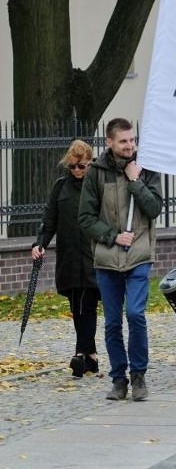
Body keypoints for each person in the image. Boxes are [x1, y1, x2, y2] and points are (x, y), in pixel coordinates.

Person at [78, 118, 163, 401]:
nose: (130, 146)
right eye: (124, 141)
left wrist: (135, 180)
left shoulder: (146, 168)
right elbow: (85, 219)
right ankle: (119, 379)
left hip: (139, 254)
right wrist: (113, 236)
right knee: (112, 322)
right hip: (107, 258)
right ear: (110, 143)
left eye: (133, 140)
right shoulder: (96, 173)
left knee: (135, 315)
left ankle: (138, 375)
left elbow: (154, 209)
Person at [32, 140, 100, 378]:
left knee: (86, 304)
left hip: (93, 257)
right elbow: (49, 219)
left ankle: (80, 354)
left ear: (90, 163)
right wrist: (39, 244)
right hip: (69, 258)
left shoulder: (98, 186)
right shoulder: (61, 187)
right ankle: (91, 356)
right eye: (72, 167)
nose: (77, 171)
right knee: (77, 305)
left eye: (81, 166)